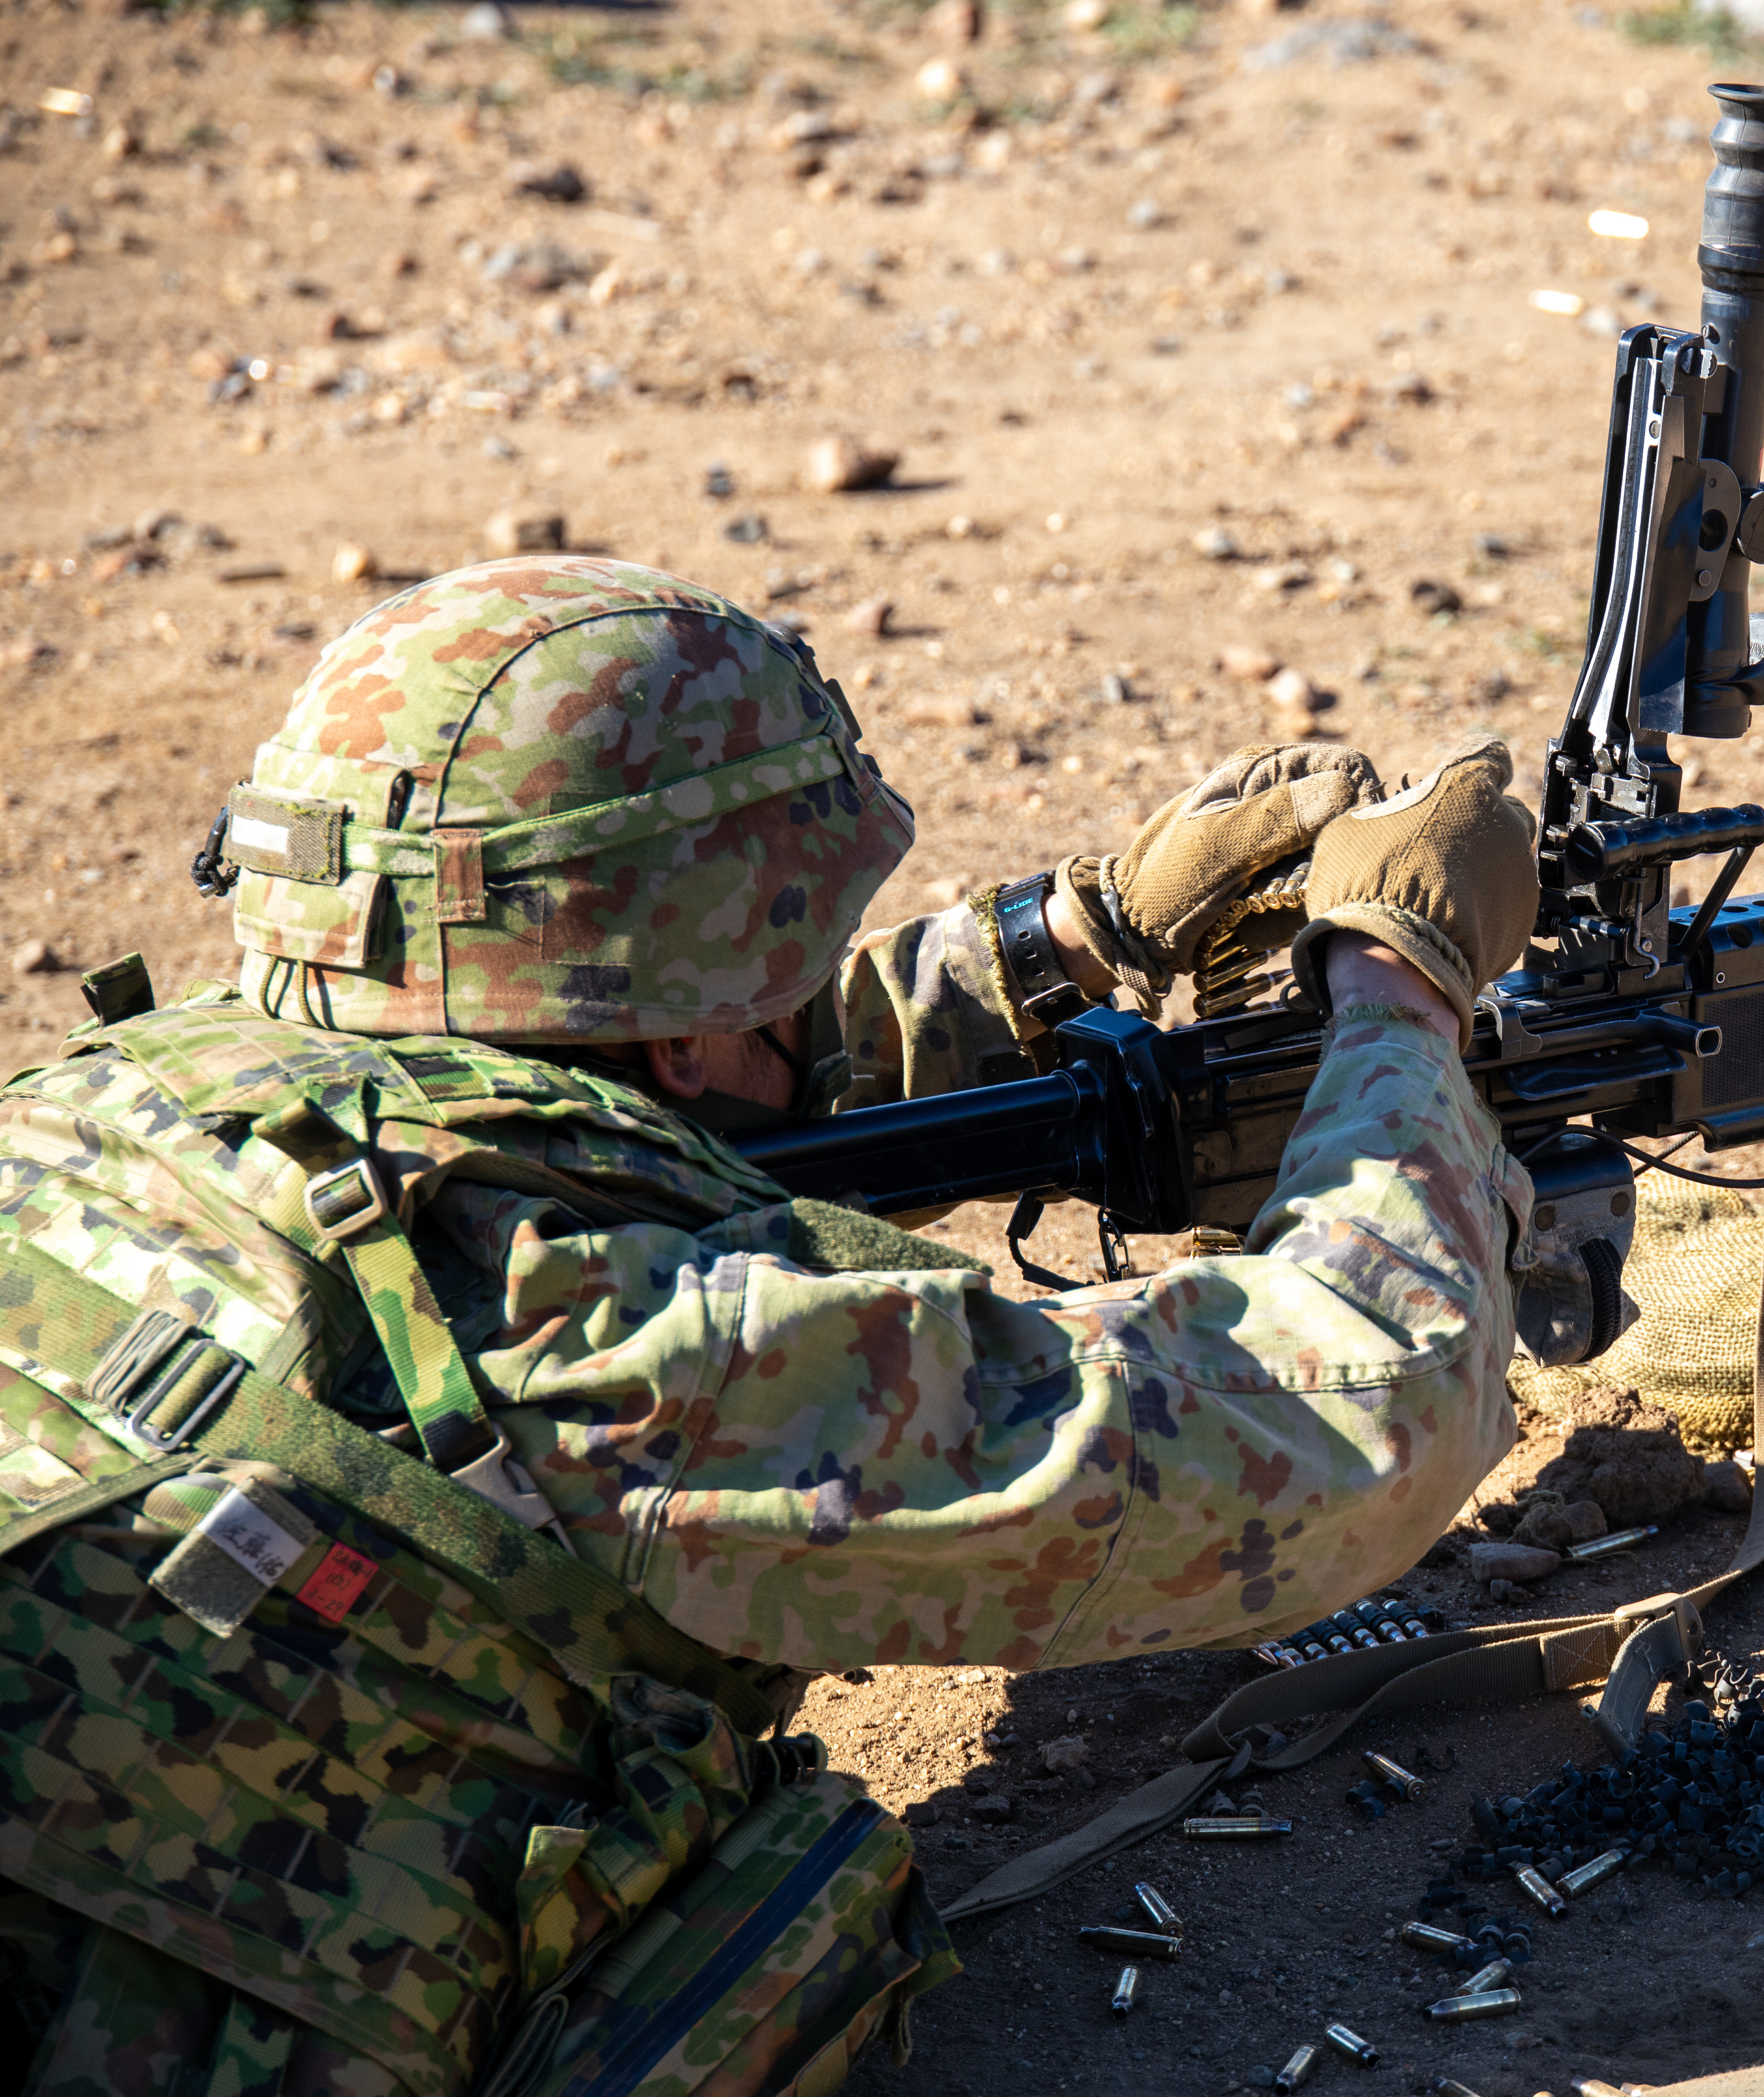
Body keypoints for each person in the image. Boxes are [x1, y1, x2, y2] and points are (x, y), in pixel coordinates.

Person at [0, 556, 1539, 2097]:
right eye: (789, 964)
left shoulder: (105, 1109)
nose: (805, 997)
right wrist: (1398, 997)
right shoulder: (610, 1353)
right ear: (687, 1017)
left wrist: (1066, 942)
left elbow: (648, 1098)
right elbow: (1358, 1406)